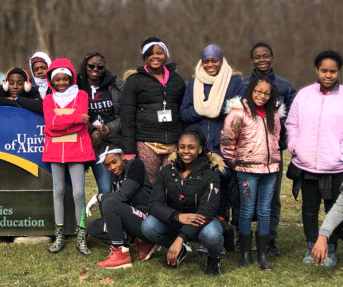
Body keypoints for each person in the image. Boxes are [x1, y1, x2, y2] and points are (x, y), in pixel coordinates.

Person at [286, 50, 343, 268]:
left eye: (333, 71)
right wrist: (295, 147)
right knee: (310, 208)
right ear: (317, 70)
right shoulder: (303, 95)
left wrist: (342, 154)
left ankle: (330, 247)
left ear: (338, 71)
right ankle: (312, 245)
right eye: (324, 70)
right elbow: (292, 124)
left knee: (335, 209)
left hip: (337, 167)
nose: (328, 75)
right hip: (307, 164)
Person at [140, 127, 226, 276]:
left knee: (212, 235)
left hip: (202, 221)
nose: (186, 151)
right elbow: (154, 204)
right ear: (177, 149)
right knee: (148, 225)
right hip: (176, 219)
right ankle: (180, 250)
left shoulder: (211, 175)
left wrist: (181, 238)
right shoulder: (167, 171)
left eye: (191, 147)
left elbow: (206, 211)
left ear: (199, 149)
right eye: (182, 147)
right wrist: (177, 216)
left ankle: (213, 258)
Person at [179, 43, 244, 240]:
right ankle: (201, 234)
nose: (210, 65)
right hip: (199, 146)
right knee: (201, 190)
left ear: (221, 60)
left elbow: (238, 114)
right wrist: (202, 109)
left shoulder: (234, 81)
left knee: (223, 191)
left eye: (214, 60)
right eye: (206, 60)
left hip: (224, 145)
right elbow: (184, 113)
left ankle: (225, 234)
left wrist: (215, 110)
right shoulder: (193, 83)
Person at [220, 75, 284, 270]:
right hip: (246, 170)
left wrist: (273, 160)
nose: (262, 96)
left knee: (265, 211)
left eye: (266, 93)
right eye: (258, 91)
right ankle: (245, 254)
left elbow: (276, 139)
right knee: (247, 211)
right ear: (250, 91)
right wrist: (236, 163)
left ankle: (263, 255)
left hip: (270, 169)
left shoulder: (273, 114)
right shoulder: (239, 113)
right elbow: (227, 141)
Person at [243, 42, 296, 256]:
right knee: (244, 196)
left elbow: (293, 119)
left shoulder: (285, 87)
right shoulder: (243, 84)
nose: (262, 60)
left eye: (266, 56)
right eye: (257, 56)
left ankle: (269, 239)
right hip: (247, 152)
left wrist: (285, 143)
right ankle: (243, 238)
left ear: (272, 57)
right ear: (252, 60)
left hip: (273, 152)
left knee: (272, 198)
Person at [42, 58, 95, 255]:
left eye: (65, 79)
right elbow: (50, 124)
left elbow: (82, 123)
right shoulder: (48, 99)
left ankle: (82, 236)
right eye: (58, 79)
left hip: (77, 150)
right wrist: (74, 118)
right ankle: (60, 235)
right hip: (55, 151)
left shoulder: (81, 95)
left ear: (71, 78)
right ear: (52, 81)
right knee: (58, 191)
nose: (62, 83)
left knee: (79, 193)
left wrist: (61, 123)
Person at [121, 37, 186, 185]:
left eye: (159, 53)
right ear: (145, 57)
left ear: (166, 55)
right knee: (149, 184)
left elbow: (182, 111)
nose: (155, 56)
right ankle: (148, 209)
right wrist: (129, 151)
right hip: (147, 143)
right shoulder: (134, 81)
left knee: (172, 184)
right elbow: (127, 117)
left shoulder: (177, 80)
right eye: (150, 54)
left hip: (173, 144)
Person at [85, 145, 155, 269]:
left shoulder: (135, 165)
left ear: (122, 156)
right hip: (130, 216)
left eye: (114, 162)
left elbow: (123, 195)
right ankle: (138, 241)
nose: (112, 167)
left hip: (146, 218)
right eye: (107, 165)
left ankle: (121, 253)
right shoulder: (115, 175)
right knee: (93, 227)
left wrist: (98, 197)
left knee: (109, 202)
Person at [77, 52, 123, 194]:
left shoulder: (114, 85)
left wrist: (109, 127)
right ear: (85, 66)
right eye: (91, 66)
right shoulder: (75, 86)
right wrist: (91, 129)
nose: (95, 69)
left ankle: (108, 215)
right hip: (82, 140)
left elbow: (125, 115)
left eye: (100, 67)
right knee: (76, 189)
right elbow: (72, 112)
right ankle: (76, 216)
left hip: (107, 142)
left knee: (106, 188)